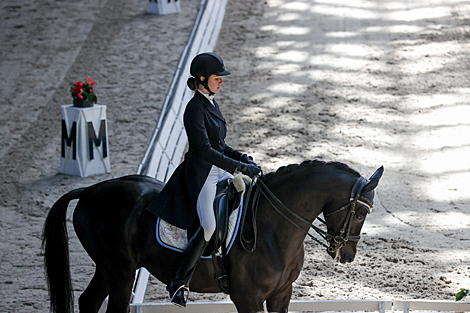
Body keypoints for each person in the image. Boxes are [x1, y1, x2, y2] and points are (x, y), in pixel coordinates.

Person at [146, 52, 261, 307]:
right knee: (208, 225)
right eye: (216, 78)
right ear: (201, 79)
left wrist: (242, 156)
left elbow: (220, 145)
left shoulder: (211, 103)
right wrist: (237, 166)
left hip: (218, 168)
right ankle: (179, 282)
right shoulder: (194, 109)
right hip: (202, 176)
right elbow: (205, 150)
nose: (221, 82)